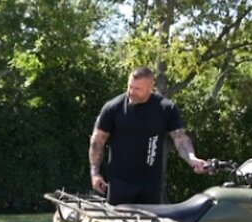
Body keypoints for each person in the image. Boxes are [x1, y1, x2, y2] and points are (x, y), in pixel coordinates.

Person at [89, 66, 211, 205]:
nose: (131, 92)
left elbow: (180, 137)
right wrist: (95, 173)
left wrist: (191, 158)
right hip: (120, 184)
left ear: (150, 87)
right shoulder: (113, 108)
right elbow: (98, 140)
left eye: (137, 89)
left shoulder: (165, 108)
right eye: (130, 86)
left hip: (150, 185)